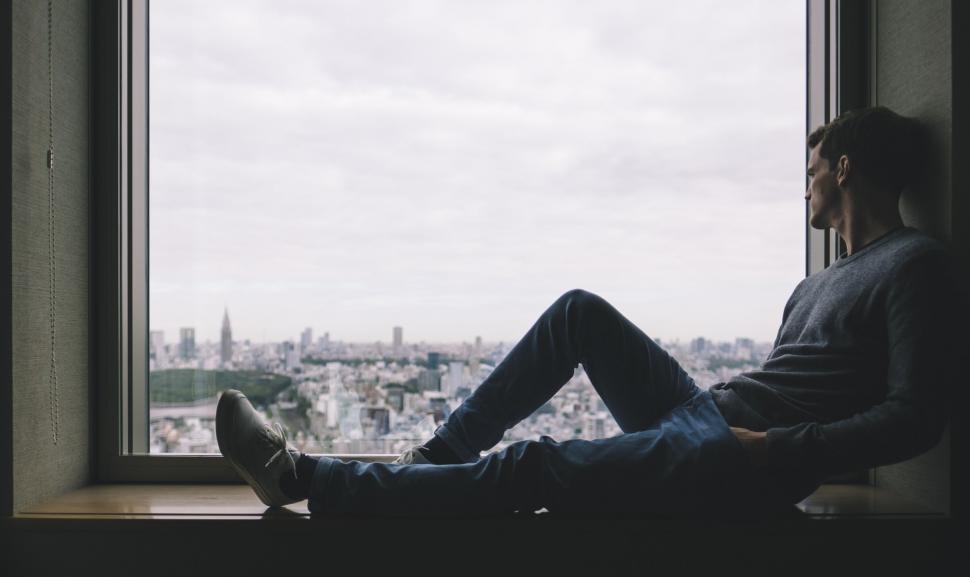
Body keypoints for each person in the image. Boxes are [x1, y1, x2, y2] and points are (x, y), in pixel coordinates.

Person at [216, 106, 959, 517]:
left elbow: (917, 416)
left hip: (741, 456)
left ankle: (302, 476)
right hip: (715, 417)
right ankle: (436, 458)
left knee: (535, 464)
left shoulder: (913, 263)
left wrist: (776, 448)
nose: (804, 189)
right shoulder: (814, 285)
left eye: (810, 172)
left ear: (844, 169)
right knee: (578, 312)